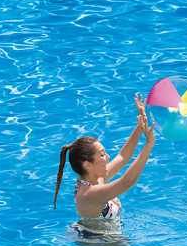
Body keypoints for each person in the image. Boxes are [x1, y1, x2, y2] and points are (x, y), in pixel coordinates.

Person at [53, 93, 155, 237]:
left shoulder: (95, 178)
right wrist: (148, 145)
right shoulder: (89, 194)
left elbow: (122, 157)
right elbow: (127, 182)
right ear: (87, 165)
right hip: (98, 241)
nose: (107, 157)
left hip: (103, 236)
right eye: (101, 155)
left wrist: (140, 126)